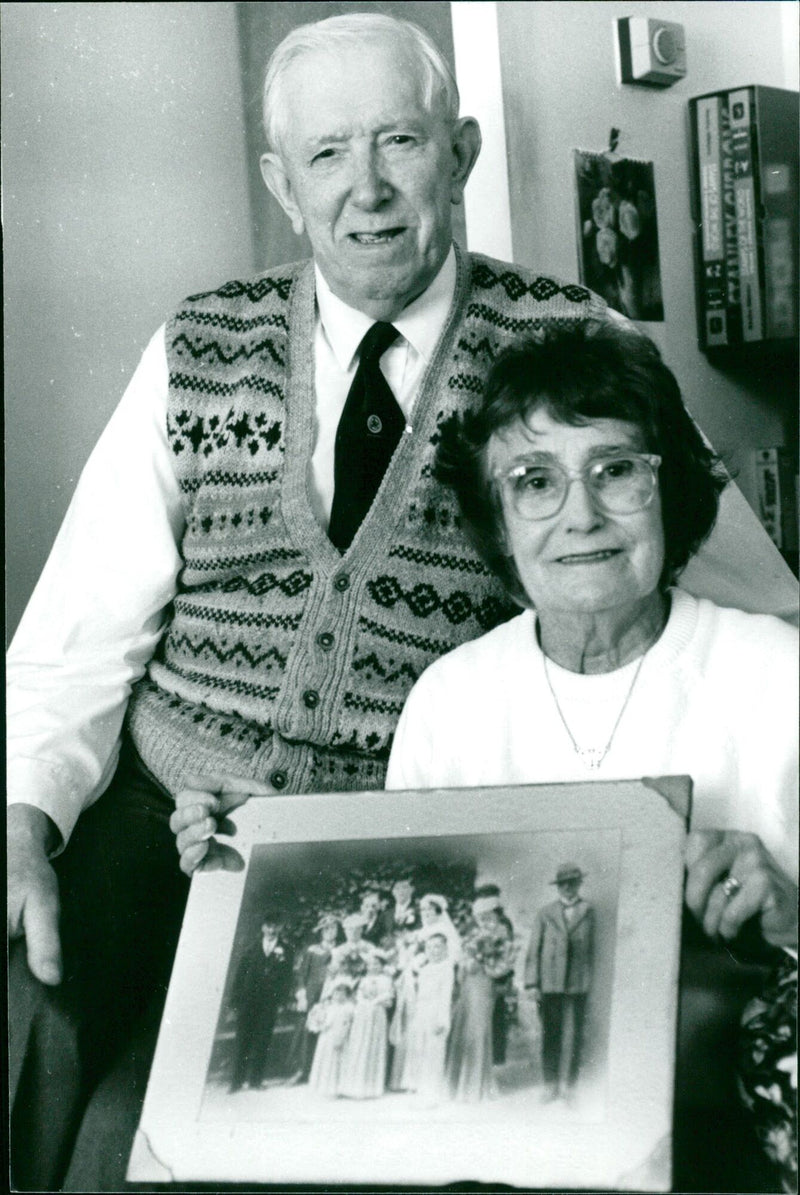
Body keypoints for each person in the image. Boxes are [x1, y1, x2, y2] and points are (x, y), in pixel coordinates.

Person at [6, 12, 796, 1189]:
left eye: (399, 143)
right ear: (281, 182)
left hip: (392, 828)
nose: (366, 190)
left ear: (461, 152)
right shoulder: (199, 345)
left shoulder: (568, 340)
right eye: (327, 155)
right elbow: (80, 629)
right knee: (31, 999)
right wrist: (22, 823)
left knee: (190, 1138)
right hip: (161, 806)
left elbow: (718, 579)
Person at [523, 864, 595, 1102]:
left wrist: (587, 979)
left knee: (574, 1036)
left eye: (572, 882)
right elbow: (534, 950)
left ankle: (570, 1088)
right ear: (558, 887)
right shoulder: (546, 913)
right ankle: (550, 1085)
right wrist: (532, 984)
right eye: (563, 884)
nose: (567, 888)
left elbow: (591, 949)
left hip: (577, 983)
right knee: (551, 1035)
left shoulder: (588, 910)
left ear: (579, 884)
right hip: (550, 982)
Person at [227, 916, 294, 1094]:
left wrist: (282, 1001)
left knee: (263, 1039)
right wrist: (235, 1002)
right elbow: (239, 976)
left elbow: (287, 979)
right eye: (268, 926)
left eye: (275, 926)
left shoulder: (286, 950)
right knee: (243, 1039)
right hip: (248, 1001)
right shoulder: (250, 949)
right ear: (263, 927)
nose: (272, 930)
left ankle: (256, 1080)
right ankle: (236, 1081)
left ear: (280, 927)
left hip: (269, 1002)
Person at [287, 912, 341, 1082]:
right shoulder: (312, 950)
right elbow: (301, 975)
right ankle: (301, 1070)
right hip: (313, 996)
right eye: (326, 929)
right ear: (321, 932)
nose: (330, 931)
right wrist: (302, 996)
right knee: (306, 1031)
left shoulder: (342, 949)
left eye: (333, 928)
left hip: (334, 995)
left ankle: (326, 1073)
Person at [404, 931, 456, 1103]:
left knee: (434, 1050)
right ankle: (419, 1085)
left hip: (436, 1011)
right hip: (422, 1011)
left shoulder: (446, 968)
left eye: (438, 947)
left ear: (445, 949)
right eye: (429, 947)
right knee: (420, 1048)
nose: (433, 951)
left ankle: (432, 1089)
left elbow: (445, 996)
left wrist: (442, 1020)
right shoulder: (424, 969)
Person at [337, 951, 394, 1099]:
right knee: (359, 1045)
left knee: (372, 1045)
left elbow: (387, 997)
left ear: (382, 965)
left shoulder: (386, 980)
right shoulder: (364, 979)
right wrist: (364, 1001)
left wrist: (374, 1001)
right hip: (363, 1015)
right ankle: (354, 1085)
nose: (373, 966)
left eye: (376, 963)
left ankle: (370, 1087)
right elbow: (359, 995)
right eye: (370, 964)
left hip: (377, 1014)